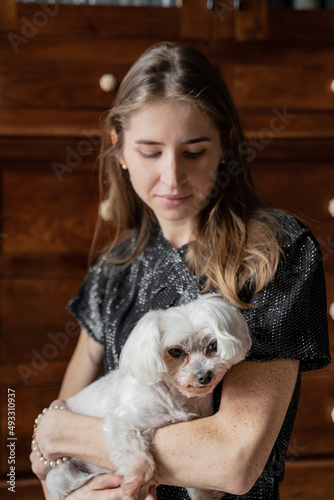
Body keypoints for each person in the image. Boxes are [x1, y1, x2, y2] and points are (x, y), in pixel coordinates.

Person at [30, 42, 330, 500]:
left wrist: (58, 433)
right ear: (120, 147)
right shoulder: (115, 268)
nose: (172, 178)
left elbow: (231, 462)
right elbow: (50, 446)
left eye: (193, 152)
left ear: (225, 145)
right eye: (150, 152)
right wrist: (69, 491)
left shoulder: (273, 254)